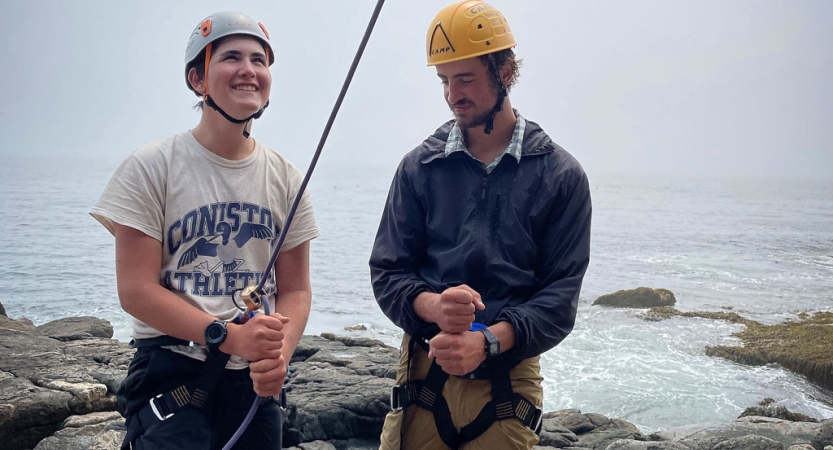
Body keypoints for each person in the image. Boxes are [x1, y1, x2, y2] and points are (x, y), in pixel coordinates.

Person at [90, 11, 318, 450]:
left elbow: (296, 290)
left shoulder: (287, 178)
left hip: (251, 381)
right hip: (171, 369)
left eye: (260, 60)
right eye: (231, 57)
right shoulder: (152, 167)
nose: (249, 70)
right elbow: (135, 290)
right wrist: (230, 337)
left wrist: (278, 354)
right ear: (198, 79)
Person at [369, 1, 592, 449]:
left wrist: (490, 339)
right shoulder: (418, 168)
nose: (453, 94)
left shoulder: (561, 176)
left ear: (505, 70)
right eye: (444, 80)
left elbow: (560, 297)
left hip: (509, 378)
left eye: (465, 78)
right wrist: (432, 307)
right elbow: (387, 272)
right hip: (424, 371)